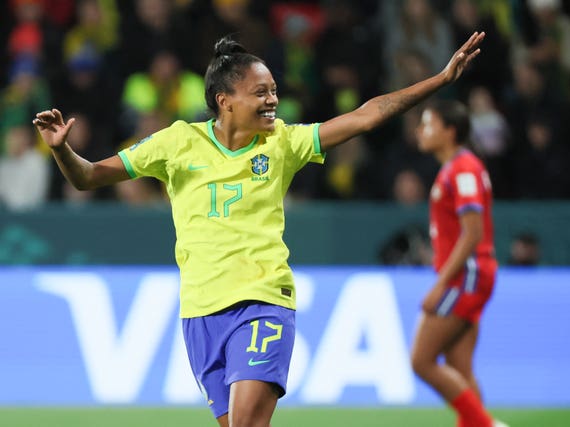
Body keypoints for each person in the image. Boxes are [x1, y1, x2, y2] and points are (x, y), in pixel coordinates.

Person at [32, 32, 485, 427]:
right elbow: (88, 177)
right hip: (201, 313)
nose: (273, 100)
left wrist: (440, 80)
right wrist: (61, 151)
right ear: (224, 101)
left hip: (262, 301)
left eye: (274, 91)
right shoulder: (175, 143)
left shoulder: (283, 143)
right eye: (260, 92)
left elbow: (365, 116)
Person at [412, 99, 507, 427]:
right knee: (459, 367)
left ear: (450, 131)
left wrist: (438, 286)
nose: (420, 131)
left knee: (422, 361)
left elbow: (473, 233)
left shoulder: (462, 169)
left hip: (465, 277)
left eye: (428, 123)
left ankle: (486, 424)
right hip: (471, 276)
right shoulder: (457, 166)